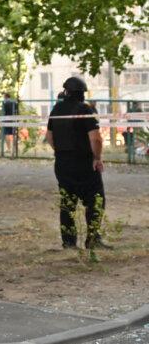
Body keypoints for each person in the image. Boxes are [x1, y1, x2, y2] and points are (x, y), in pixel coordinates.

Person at [46, 77, 112, 250]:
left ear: (66, 91)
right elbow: (96, 138)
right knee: (96, 200)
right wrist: (97, 158)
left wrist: (60, 151)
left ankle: (68, 243)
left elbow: (49, 136)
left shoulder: (56, 109)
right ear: (82, 93)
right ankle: (92, 239)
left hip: (62, 163)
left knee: (67, 203)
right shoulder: (85, 109)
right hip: (84, 164)